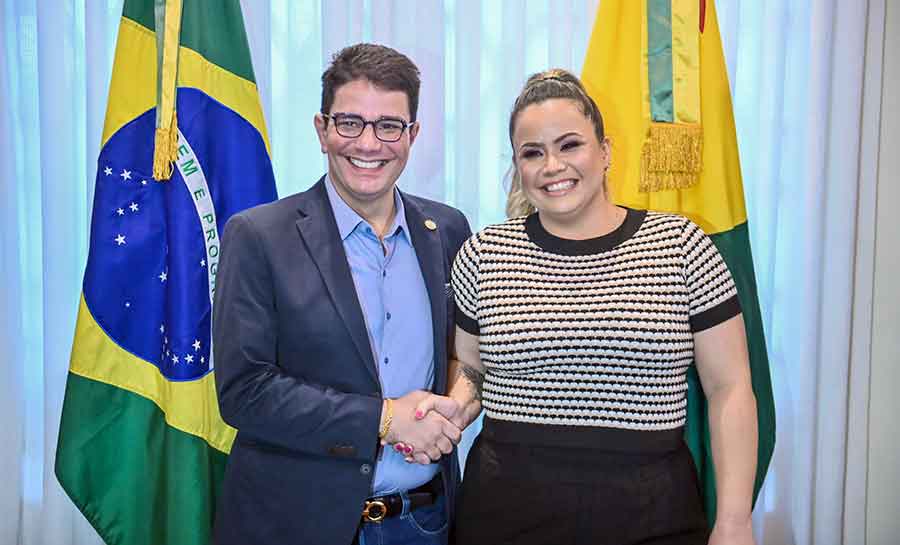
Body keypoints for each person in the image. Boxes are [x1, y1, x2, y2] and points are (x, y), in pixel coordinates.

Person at [411, 69, 759, 545]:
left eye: (569, 145)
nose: (552, 165)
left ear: (606, 151)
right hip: (506, 509)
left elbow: (731, 388)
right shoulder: (484, 253)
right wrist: (449, 410)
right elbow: (470, 369)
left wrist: (735, 522)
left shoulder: (681, 245)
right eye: (532, 153)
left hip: (653, 509)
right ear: (518, 166)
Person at [211, 43, 471, 545]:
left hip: (424, 522)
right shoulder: (259, 237)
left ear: (412, 134)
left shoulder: (448, 230)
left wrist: (454, 411)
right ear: (322, 129)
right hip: (298, 524)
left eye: (389, 125)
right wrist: (386, 421)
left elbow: (465, 356)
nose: (369, 144)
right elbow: (245, 393)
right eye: (350, 122)